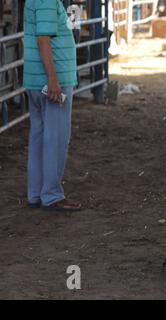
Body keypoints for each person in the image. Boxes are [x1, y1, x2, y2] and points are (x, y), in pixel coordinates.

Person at [23, 0, 81, 212]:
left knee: (39, 137)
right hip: (51, 81)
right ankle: (51, 195)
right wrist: (53, 79)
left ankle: (36, 193)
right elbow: (43, 40)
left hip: (36, 79)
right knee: (55, 138)